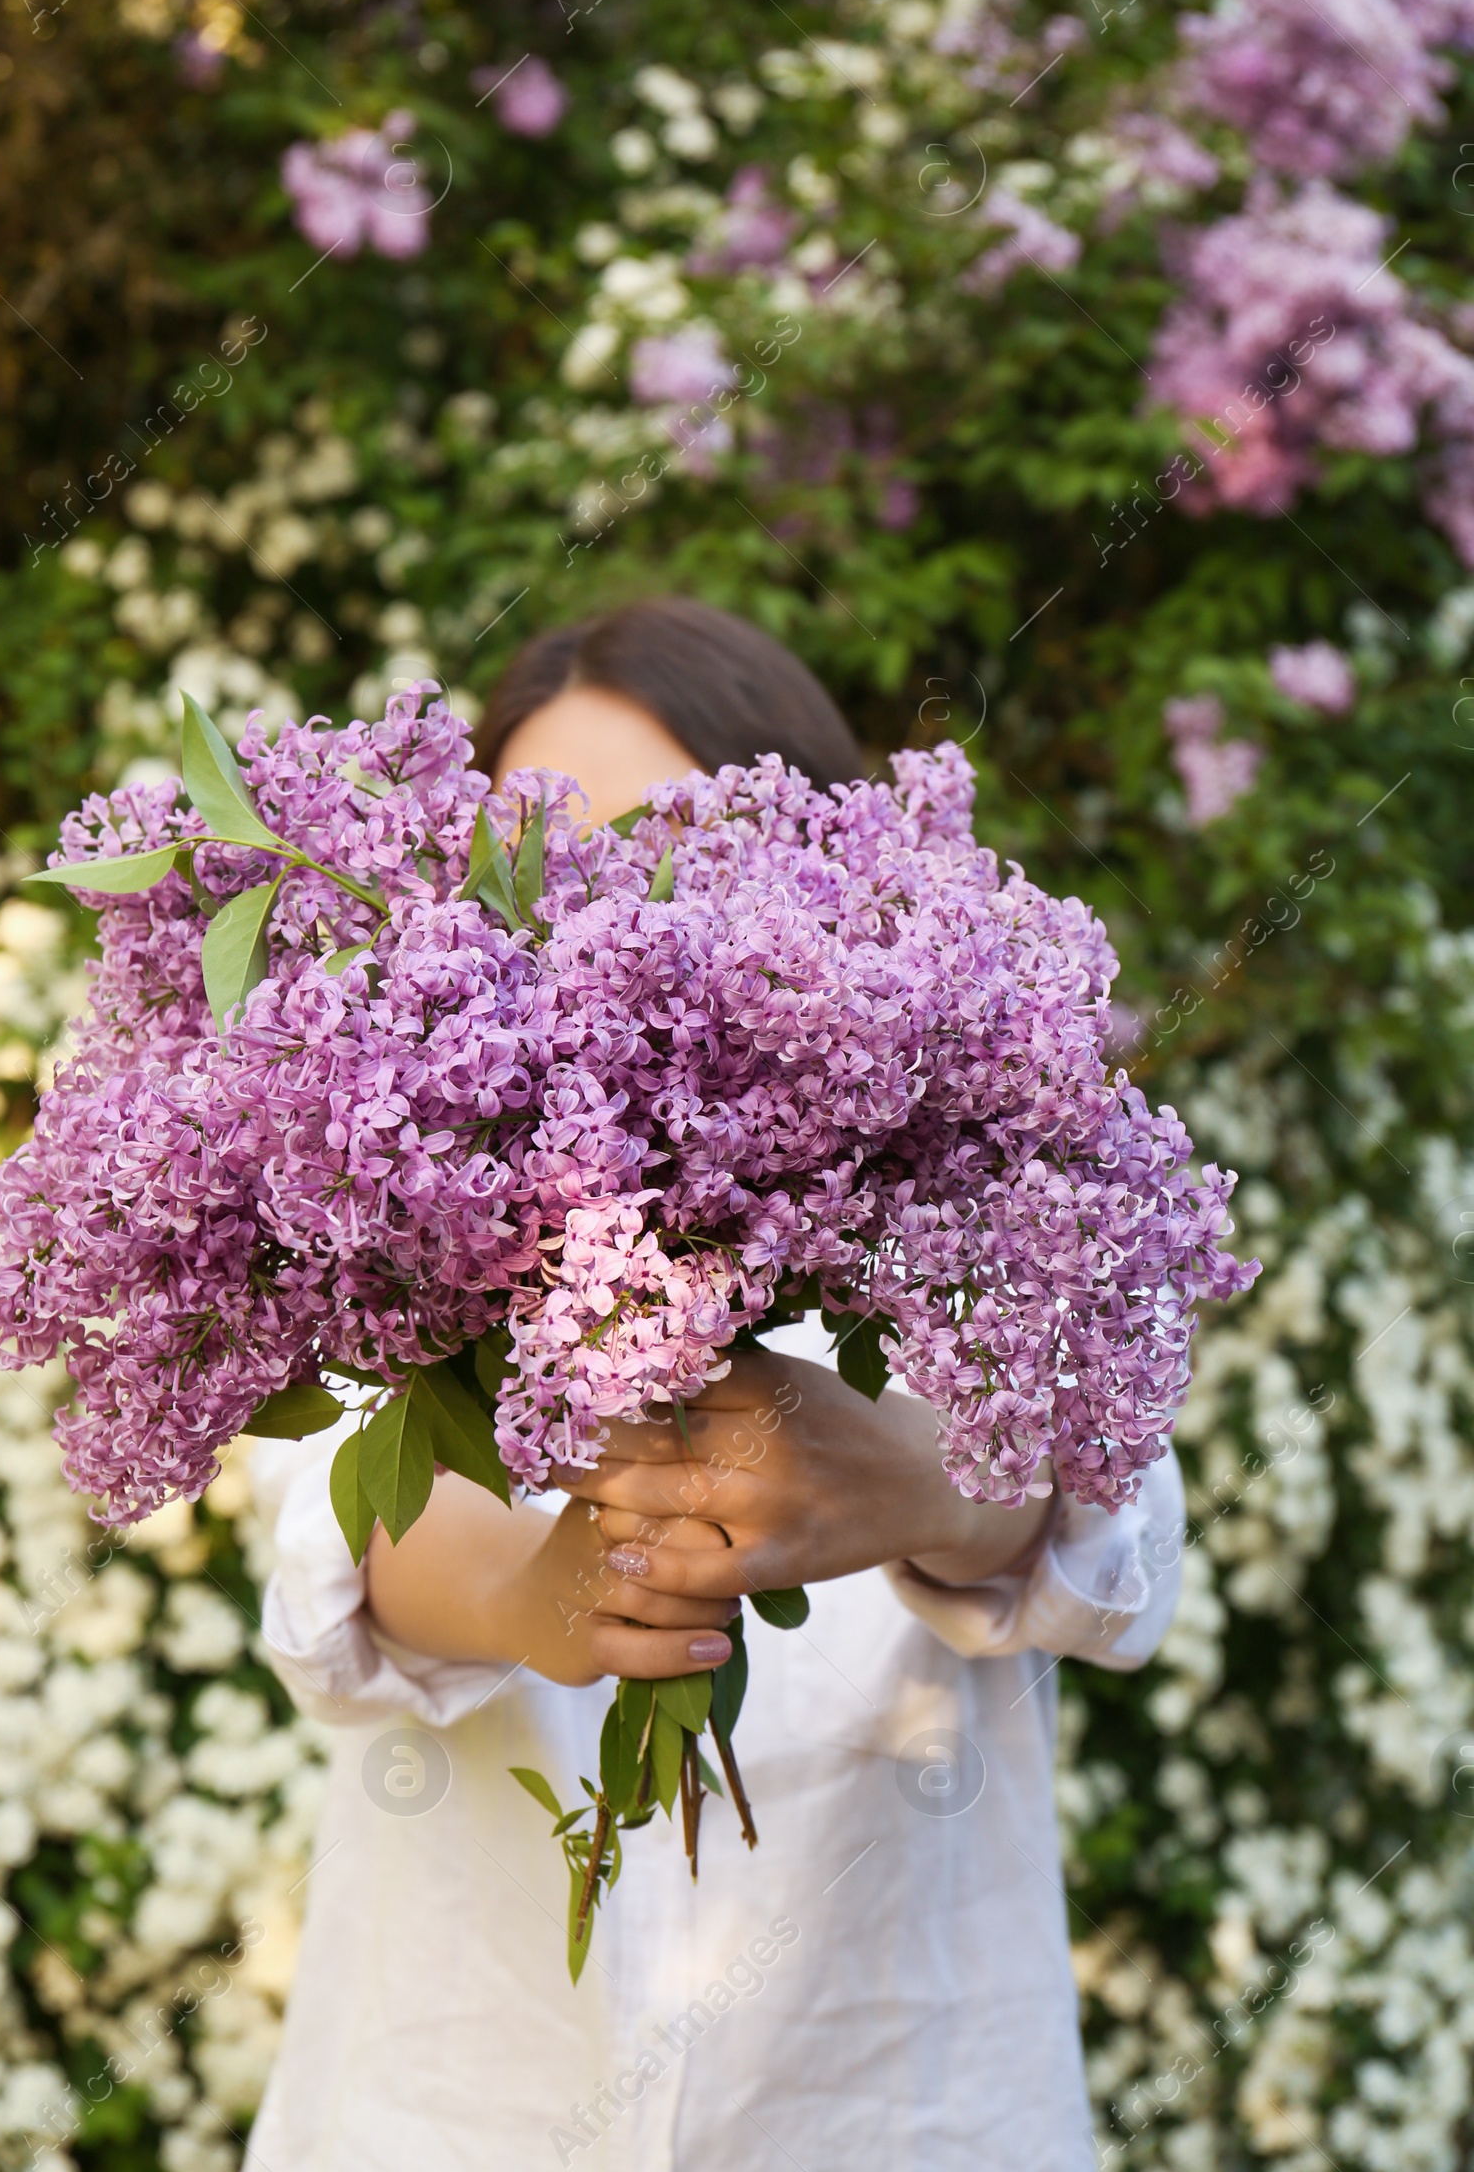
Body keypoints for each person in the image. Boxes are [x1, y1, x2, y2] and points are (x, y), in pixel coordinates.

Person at [248, 598, 1184, 2172]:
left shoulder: (981, 1173)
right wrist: (550, 1597)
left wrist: (920, 1483)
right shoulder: (393, 1190)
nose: (614, 935)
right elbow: (354, 1539)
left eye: (673, 861)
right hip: (447, 2112)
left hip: (895, 2106)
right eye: (546, 874)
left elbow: (1116, 1533)